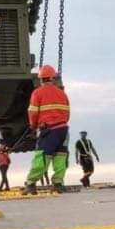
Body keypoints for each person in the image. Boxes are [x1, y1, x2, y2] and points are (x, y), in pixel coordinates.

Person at [23, 65, 70, 195]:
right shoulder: (62, 93)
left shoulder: (37, 93)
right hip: (63, 130)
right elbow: (67, 113)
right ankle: (58, 184)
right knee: (61, 157)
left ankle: (31, 184)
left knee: (42, 157)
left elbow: (32, 112)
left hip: (48, 131)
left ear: (41, 79)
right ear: (52, 78)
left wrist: (33, 126)